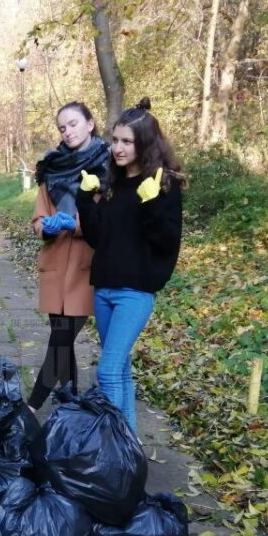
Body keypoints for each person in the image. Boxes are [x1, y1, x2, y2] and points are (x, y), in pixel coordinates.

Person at [77, 97, 184, 437]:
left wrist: (151, 204)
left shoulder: (163, 185)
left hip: (134, 294)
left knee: (106, 371)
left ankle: (112, 445)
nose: (117, 148)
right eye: (115, 140)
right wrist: (85, 198)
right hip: (105, 288)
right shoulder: (112, 184)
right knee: (120, 370)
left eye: (126, 142)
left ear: (144, 144)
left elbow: (167, 242)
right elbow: (96, 239)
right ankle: (129, 445)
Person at [26, 101, 110, 412]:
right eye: (62, 127)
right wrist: (45, 228)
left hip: (85, 269)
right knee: (63, 341)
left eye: (73, 123)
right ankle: (71, 401)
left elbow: (106, 221)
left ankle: (32, 405)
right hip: (54, 266)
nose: (68, 131)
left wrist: (74, 223)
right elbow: (37, 218)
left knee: (60, 341)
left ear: (90, 124)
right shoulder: (52, 168)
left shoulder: (106, 168)